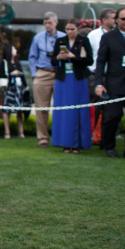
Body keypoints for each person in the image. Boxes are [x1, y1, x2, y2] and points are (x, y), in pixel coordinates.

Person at [94, 7, 125, 159]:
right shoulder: (108, 37)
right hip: (114, 84)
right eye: (123, 19)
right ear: (116, 20)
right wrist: (99, 84)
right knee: (113, 117)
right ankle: (109, 146)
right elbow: (100, 62)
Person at [51, 18, 93, 153]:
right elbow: (52, 60)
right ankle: (64, 143)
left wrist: (73, 56)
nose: (69, 32)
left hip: (78, 79)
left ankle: (77, 144)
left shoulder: (84, 41)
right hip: (63, 79)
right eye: (67, 29)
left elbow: (89, 60)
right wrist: (58, 57)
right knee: (64, 111)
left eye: (72, 29)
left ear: (78, 28)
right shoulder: (60, 41)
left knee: (78, 111)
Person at [28, 12, 66, 148]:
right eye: (45, 23)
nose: (47, 25)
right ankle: (43, 139)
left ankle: (61, 138)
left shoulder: (63, 37)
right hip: (42, 74)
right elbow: (32, 57)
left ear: (56, 22)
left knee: (61, 107)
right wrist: (35, 74)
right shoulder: (38, 38)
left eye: (49, 23)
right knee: (41, 108)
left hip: (59, 74)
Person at [87, 8, 116, 140]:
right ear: (104, 20)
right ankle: (90, 136)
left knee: (111, 110)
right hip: (95, 76)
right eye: (113, 18)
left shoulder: (118, 35)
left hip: (114, 77)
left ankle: (107, 139)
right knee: (95, 108)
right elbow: (87, 56)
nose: (115, 20)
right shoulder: (93, 35)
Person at [0, 45, 28, 139]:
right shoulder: (4, 63)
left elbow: (22, 75)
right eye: (14, 49)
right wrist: (11, 74)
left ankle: (21, 132)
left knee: (19, 110)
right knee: (6, 110)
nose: (16, 50)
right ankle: (7, 133)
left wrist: (26, 86)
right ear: (9, 51)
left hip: (19, 88)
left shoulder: (17, 62)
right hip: (9, 89)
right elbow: (1, 74)